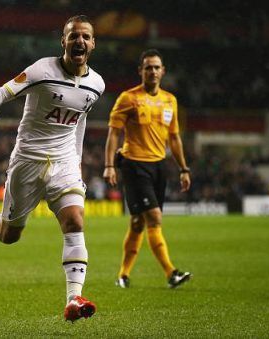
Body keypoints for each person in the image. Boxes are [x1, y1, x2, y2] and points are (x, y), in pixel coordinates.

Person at [0, 15, 104, 321]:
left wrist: (76, 163)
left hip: (64, 163)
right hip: (27, 161)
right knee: (9, 234)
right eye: (73, 36)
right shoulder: (42, 70)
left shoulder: (96, 84)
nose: (79, 41)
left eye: (85, 37)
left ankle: (73, 299)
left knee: (75, 221)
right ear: (62, 41)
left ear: (93, 43)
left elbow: (79, 123)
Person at [103, 49, 192, 289]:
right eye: (148, 67)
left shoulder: (170, 100)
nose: (152, 71)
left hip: (159, 166)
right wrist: (110, 164)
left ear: (163, 71)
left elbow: (174, 138)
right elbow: (114, 133)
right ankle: (171, 273)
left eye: (156, 67)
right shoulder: (128, 98)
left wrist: (183, 168)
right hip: (134, 165)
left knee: (137, 223)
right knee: (154, 217)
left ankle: (123, 274)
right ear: (140, 71)